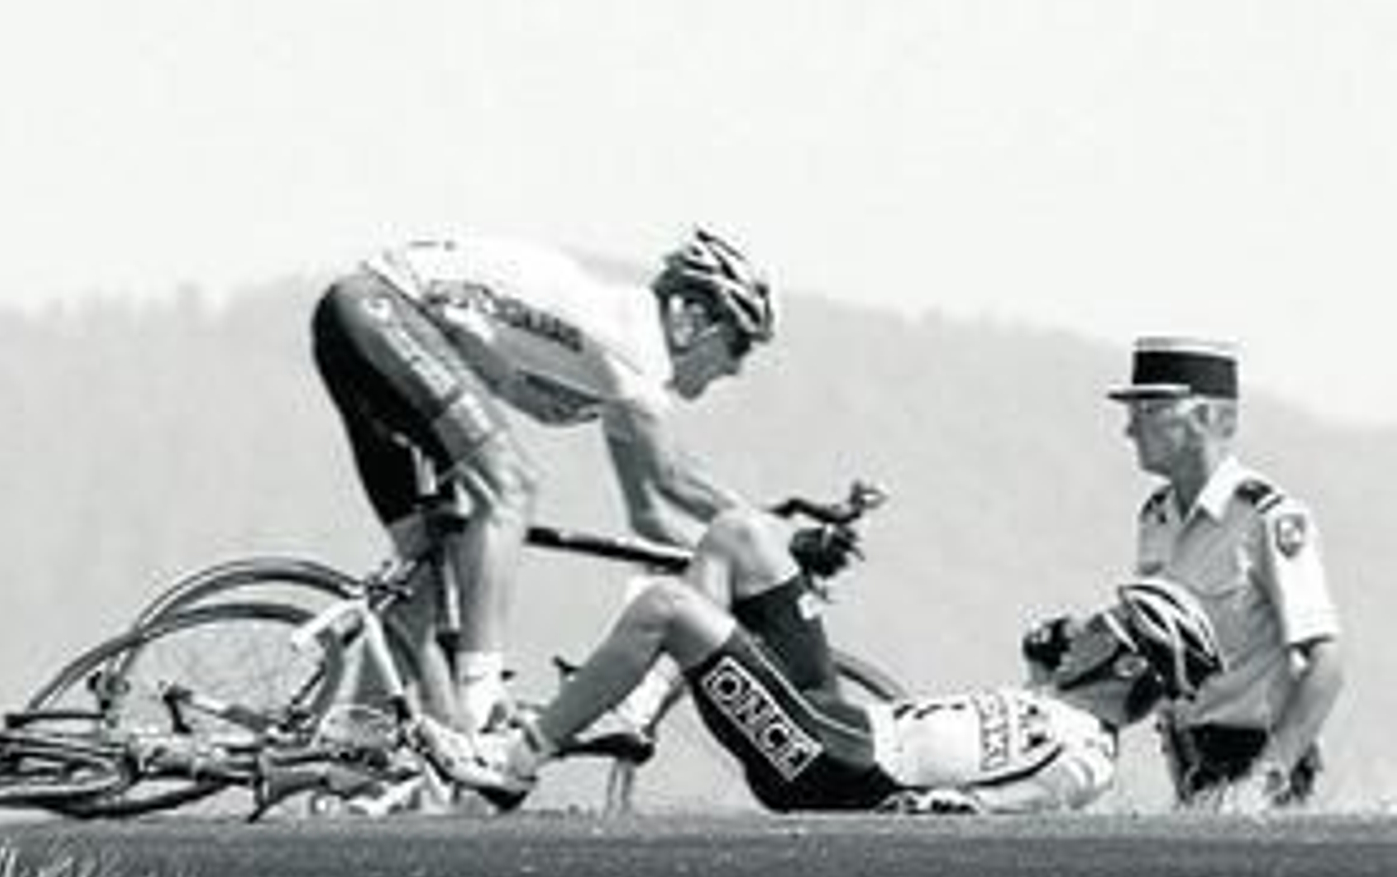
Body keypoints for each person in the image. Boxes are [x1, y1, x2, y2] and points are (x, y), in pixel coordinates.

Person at [415, 505, 1225, 815]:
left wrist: (953, 809)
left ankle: (514, 762)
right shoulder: (1061, 701)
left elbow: (1008, 804)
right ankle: (634, 708)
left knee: (665, 606)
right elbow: (1019, 703)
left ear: (1127, 667)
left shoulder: (1087, 755)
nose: (1085, 624)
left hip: (836, 766)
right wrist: (1047, 659)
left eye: (1105, 626)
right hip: (838, 718)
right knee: (740, 533)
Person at [311, 228, 773, 731]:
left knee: (425, 562)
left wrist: (722, 564)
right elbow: (670, 477)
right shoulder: (636, 345)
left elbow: (649, 514)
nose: (738, 368)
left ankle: (362, 737)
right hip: (383, 311)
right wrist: (771, 542)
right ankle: (480, 696)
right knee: (511, 488)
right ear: (691, 318)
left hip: (360, 318)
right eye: (738, 344)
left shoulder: (620, 365)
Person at [1107, 335, 1345, 812]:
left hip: (1258, 763)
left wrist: (1265, 780)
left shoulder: (1267, 519)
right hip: (1187, 762)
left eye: (1150, 410)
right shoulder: (1155, 517)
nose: (1130, 429)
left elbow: (1327, 666)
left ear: (1204, 418)